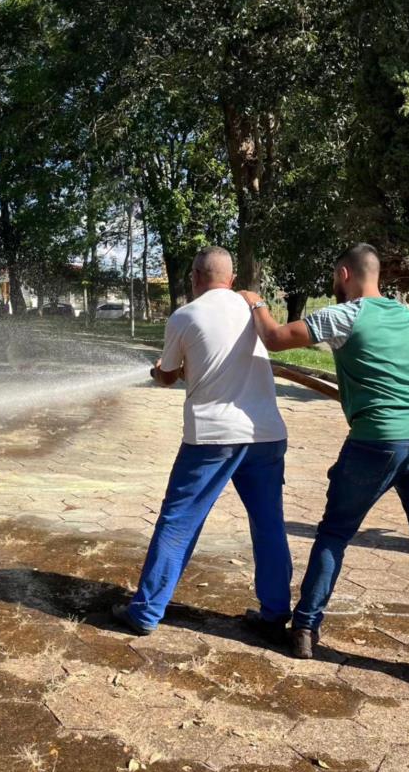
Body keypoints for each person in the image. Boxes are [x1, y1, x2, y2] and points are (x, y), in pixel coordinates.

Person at [240, 243, 409, 689]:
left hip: (374, 444)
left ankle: (304, 629)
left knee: (335, 532)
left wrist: (254, 301)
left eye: (335, 279)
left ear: (344, 274)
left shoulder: (346, 315)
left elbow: (274, 337)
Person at [112, 245, 292, 640]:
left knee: (178, 523)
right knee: (268, 526)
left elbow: (169, 375)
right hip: (265, 435)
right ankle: (276, 613)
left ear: (195, 277)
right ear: (230, 279)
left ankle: (145, 612)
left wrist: (158, 372)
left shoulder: (185, 315)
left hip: (211, 437)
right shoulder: (254, 310)